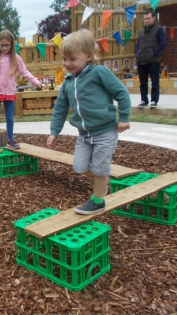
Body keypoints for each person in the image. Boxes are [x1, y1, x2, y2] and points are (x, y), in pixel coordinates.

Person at [47, 29, 131, 215]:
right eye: (65, 59)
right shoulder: (68, 82)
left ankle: (98, 200)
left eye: (73, 59)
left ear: (88, 56)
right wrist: (54, 132)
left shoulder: (99, 73)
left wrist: (124, 117)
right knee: (79, 167)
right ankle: (102, 181)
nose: (68, 64)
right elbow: (60, 109)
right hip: (84, 135)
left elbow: (121, 93)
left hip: (105, 131)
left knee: (100, 168)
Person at [0, 30, 43, 151]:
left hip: (10, 92)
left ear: (11, 44)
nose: (4, 48)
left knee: (10, 117)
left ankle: (10, 139)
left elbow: (24, 71)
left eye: (7, 45)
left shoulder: (16, 58)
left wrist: (35, 81)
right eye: (1, 45)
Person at [135, 10, 166, 109]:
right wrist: (137, 53)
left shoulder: (159, 29)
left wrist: (153, 53)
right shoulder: (141, 31)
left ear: (154, 18)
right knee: (143, 82)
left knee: (155, 82)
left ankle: (154, 100)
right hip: (142, 60)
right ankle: (144, 100)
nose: (146, 20)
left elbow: (162, 44)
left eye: (148, 18)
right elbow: (137, 45)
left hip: (153, 61)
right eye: (145, 19)